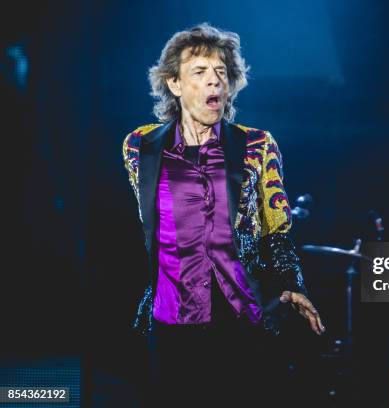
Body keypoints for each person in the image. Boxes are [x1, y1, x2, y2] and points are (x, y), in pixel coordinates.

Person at [122, 22, 324, 407]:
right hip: (170, 320)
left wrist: (291, 282)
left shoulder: (256, 146)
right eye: (200, 72)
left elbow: (275, 230)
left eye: (221, 73)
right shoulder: (139, 147)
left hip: (240, 319)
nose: (214, 81)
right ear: (174, 84)